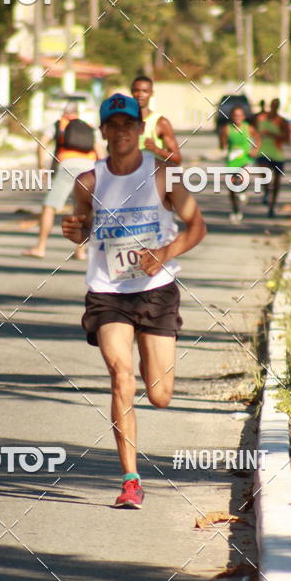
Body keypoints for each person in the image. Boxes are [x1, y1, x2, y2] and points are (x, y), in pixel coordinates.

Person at [61, 93, 206, 508]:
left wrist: (165, 253)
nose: (121, 131)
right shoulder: (88, 182)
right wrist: (76, 231)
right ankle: (130, 480)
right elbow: (84, 228)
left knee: (159, 394)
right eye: (114, 125)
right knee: (120, 375)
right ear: (103, 132)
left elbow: (197, 226)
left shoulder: (164, 175)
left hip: (157, 292)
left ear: (141, 129)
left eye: (129, 124)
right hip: (108, 295)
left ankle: (150, 350)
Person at [23, 102, 103, 259]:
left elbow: (41, 145)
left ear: (64, 112)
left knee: (49, 206)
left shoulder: (58, 125)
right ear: (78, 113)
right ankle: (80, 251)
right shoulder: (91, 128)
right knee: (82, 208)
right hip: (89, 169)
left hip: (67, 166)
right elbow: (100, 153)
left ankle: (40, 247)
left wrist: (41, 167)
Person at [219, 105, 260, 223]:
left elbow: (258, 139)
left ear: (243, 117)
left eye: (239, 115)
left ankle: (242, 191)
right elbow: (222, 144)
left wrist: (254, 150)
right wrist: (223, 146)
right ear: (232, 117)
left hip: (245, 159)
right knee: (231, 187)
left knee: (242, 178)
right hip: (232, 160)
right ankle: (235, 210)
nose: (237, 117)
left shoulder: (249, 128)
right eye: (235, 115)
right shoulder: (226, 129)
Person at [131, 76, 182, 164]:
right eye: (136, 91)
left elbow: (178, 159)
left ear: (151, 93)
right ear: (132, 92)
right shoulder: (125, 121)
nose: (140, 95)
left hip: (152, 176)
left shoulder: (161, 122)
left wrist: (156, 150)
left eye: (145, 91)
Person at [256, 97, 291, 218]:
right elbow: (255, 133)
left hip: (276, 153)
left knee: (276, 182)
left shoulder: (282, 122)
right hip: (263, 151)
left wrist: (273, 135)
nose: (274, 107)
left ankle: (272, 207)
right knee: (263, 173)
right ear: (270, 105)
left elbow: (288, 140)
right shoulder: (261, 119)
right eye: (273, 105)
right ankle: (266, 192)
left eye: (277, 105)